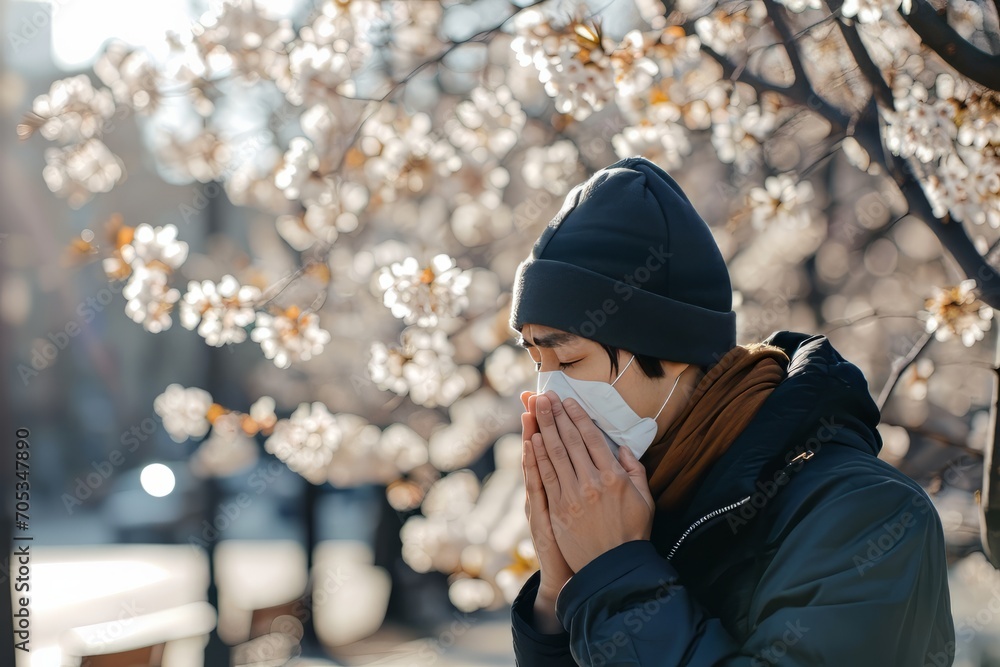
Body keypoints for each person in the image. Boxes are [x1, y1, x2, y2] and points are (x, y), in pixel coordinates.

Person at [507, 156, 956, 666]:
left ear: (670, 348)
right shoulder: (634, 504)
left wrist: (618, 577)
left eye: (568, 358)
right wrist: (559, 596)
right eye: (536, 360)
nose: (545, 394)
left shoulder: (866, 514)